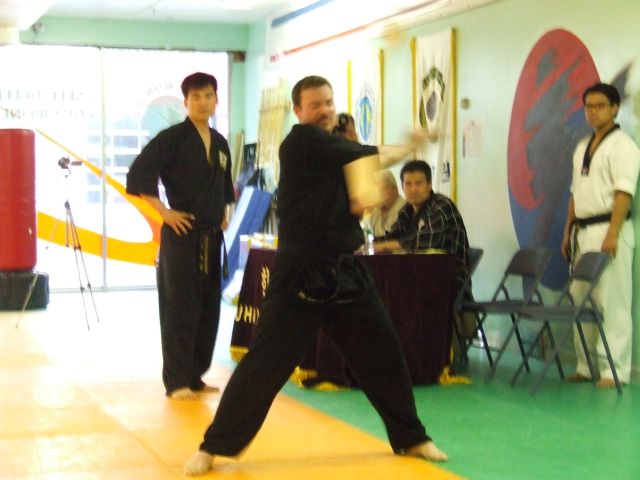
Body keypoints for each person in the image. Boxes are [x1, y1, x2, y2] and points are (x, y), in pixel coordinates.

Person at [184, 75, 448, 476]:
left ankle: (411, 437)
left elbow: (360, 201)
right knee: (264, 366)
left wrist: (364, 188)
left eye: (328, 102)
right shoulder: (301, 142)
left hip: (344, 271)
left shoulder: (335, 150)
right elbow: (367, 157)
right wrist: (409, 143)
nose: (324, 110)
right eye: (315, 105)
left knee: (383, 354)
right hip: (299, 277)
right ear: (298, 111)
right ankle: (213, 446)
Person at [126, 72, 235, 401]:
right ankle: (176, 382)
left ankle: (195, 375)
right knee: (180, 307)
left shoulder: (220, 143)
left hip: (211, 237)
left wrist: (225, 212)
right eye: (196, 97)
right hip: (182, 235)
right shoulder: (171, 139)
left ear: (216, 100)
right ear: (185, 102)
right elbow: (139, 175)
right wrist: (164, 212)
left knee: (208, 307)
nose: (203, 102)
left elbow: (225, 185)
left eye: (208, 96)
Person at [561, 82, 640, 388]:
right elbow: (575, 195)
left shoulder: (623, 146)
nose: (593, 112)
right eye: (589, 106)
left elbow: (624, 193)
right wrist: (567, 231)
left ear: (615, 108)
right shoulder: (582, 146)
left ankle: (614, 369)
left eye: (600, 106)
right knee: (580, 299)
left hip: (610, 229)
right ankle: (585, 365)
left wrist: (613, 233)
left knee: (612, 301)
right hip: (582, 230)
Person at [374, 160, 470, 300]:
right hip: (418, 280)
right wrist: (368, 244)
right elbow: (392, 236)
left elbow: (427, 240)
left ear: (429, 184)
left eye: (418, 183)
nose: (413, 189)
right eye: (408, 184)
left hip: (449, 283)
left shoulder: (441, 205)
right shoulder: (407, 210)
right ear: (402, 187)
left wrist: (384, 246)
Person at [368, 170, 406, 237]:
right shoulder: (375, 214)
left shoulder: (406, 210)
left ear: (395, 188)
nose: (378, 195)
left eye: (383, 189)